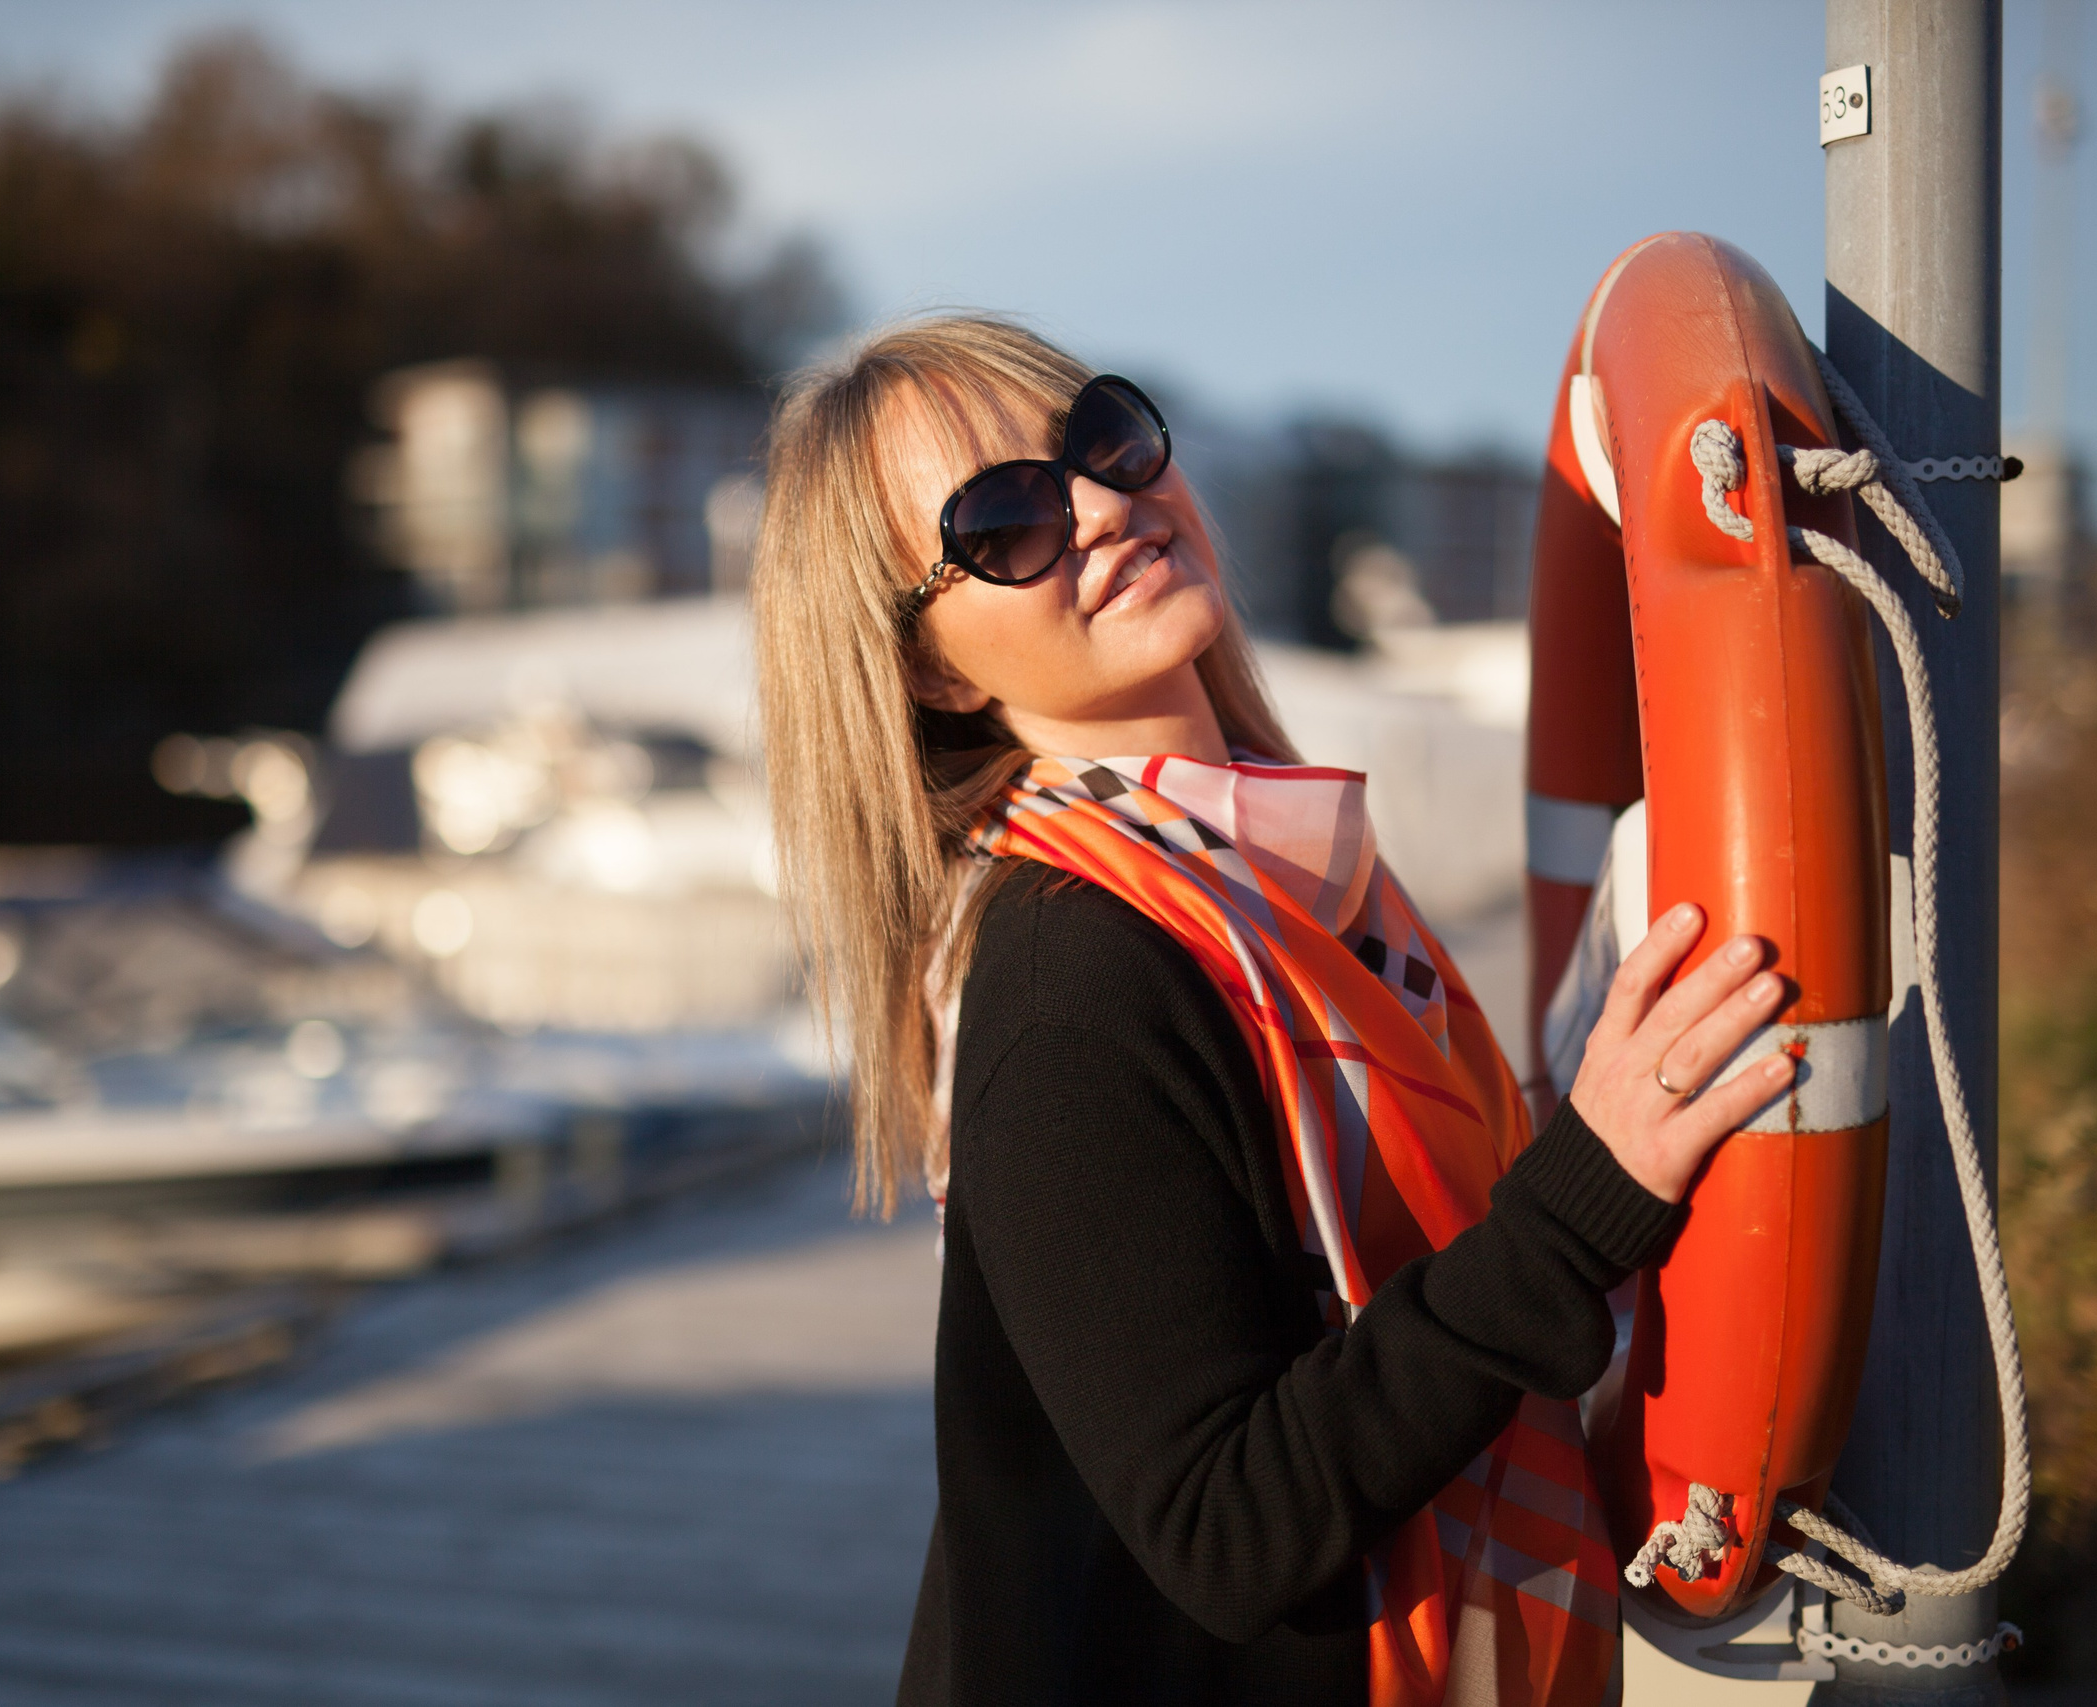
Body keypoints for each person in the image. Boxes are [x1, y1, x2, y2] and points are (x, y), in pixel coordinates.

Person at [749, 317, 1796, 1707]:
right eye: (1006, 521)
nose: (1109, 508)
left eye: (1105, 443)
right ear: (938, 672)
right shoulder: (1075, 982)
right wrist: (1584, 1196)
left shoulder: (1288, 889)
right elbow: (1228, 1530)